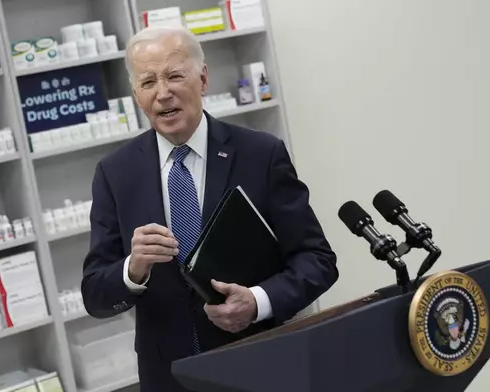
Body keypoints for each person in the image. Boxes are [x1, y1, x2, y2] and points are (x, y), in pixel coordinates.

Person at [81, 25, 338, 392]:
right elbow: (95, 296)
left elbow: (317, 260)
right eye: (148, 81)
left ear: (202, 79)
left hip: (260, 365)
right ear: (136, 94)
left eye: (174, 76)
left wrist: (257, 302)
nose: (163, 94)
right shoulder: (114, 173)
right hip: (169, 378)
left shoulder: (261, 155)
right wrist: (132, 270)